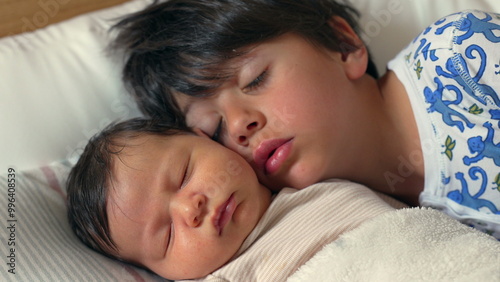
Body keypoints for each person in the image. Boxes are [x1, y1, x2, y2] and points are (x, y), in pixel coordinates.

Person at [110, 0, 500, 238]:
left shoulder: (459, 54)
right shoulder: (347, 222)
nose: (238, 127)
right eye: (214, 131)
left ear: (343, 46)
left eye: (255, 79)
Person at [66, 118, 400, 280]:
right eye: (167, 236)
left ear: (204, 138)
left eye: (183, 174)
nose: (190, 208)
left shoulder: (313, 176)